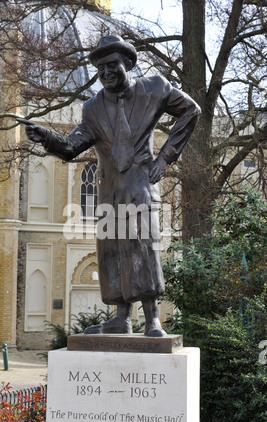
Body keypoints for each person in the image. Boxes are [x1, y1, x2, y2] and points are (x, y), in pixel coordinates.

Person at [19, 35, 201, 337]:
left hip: (141, 186)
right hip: (108, 192)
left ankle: (152, 318)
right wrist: (47, 137)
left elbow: (191, 111)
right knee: (111, 254)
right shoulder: (92, 108)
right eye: (100, 68)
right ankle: (121, 319)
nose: (105, 72)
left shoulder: (153, 88)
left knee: (142, 248)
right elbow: (70, 147)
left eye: (111, 65)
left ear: (127, 63)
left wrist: (165, 158)